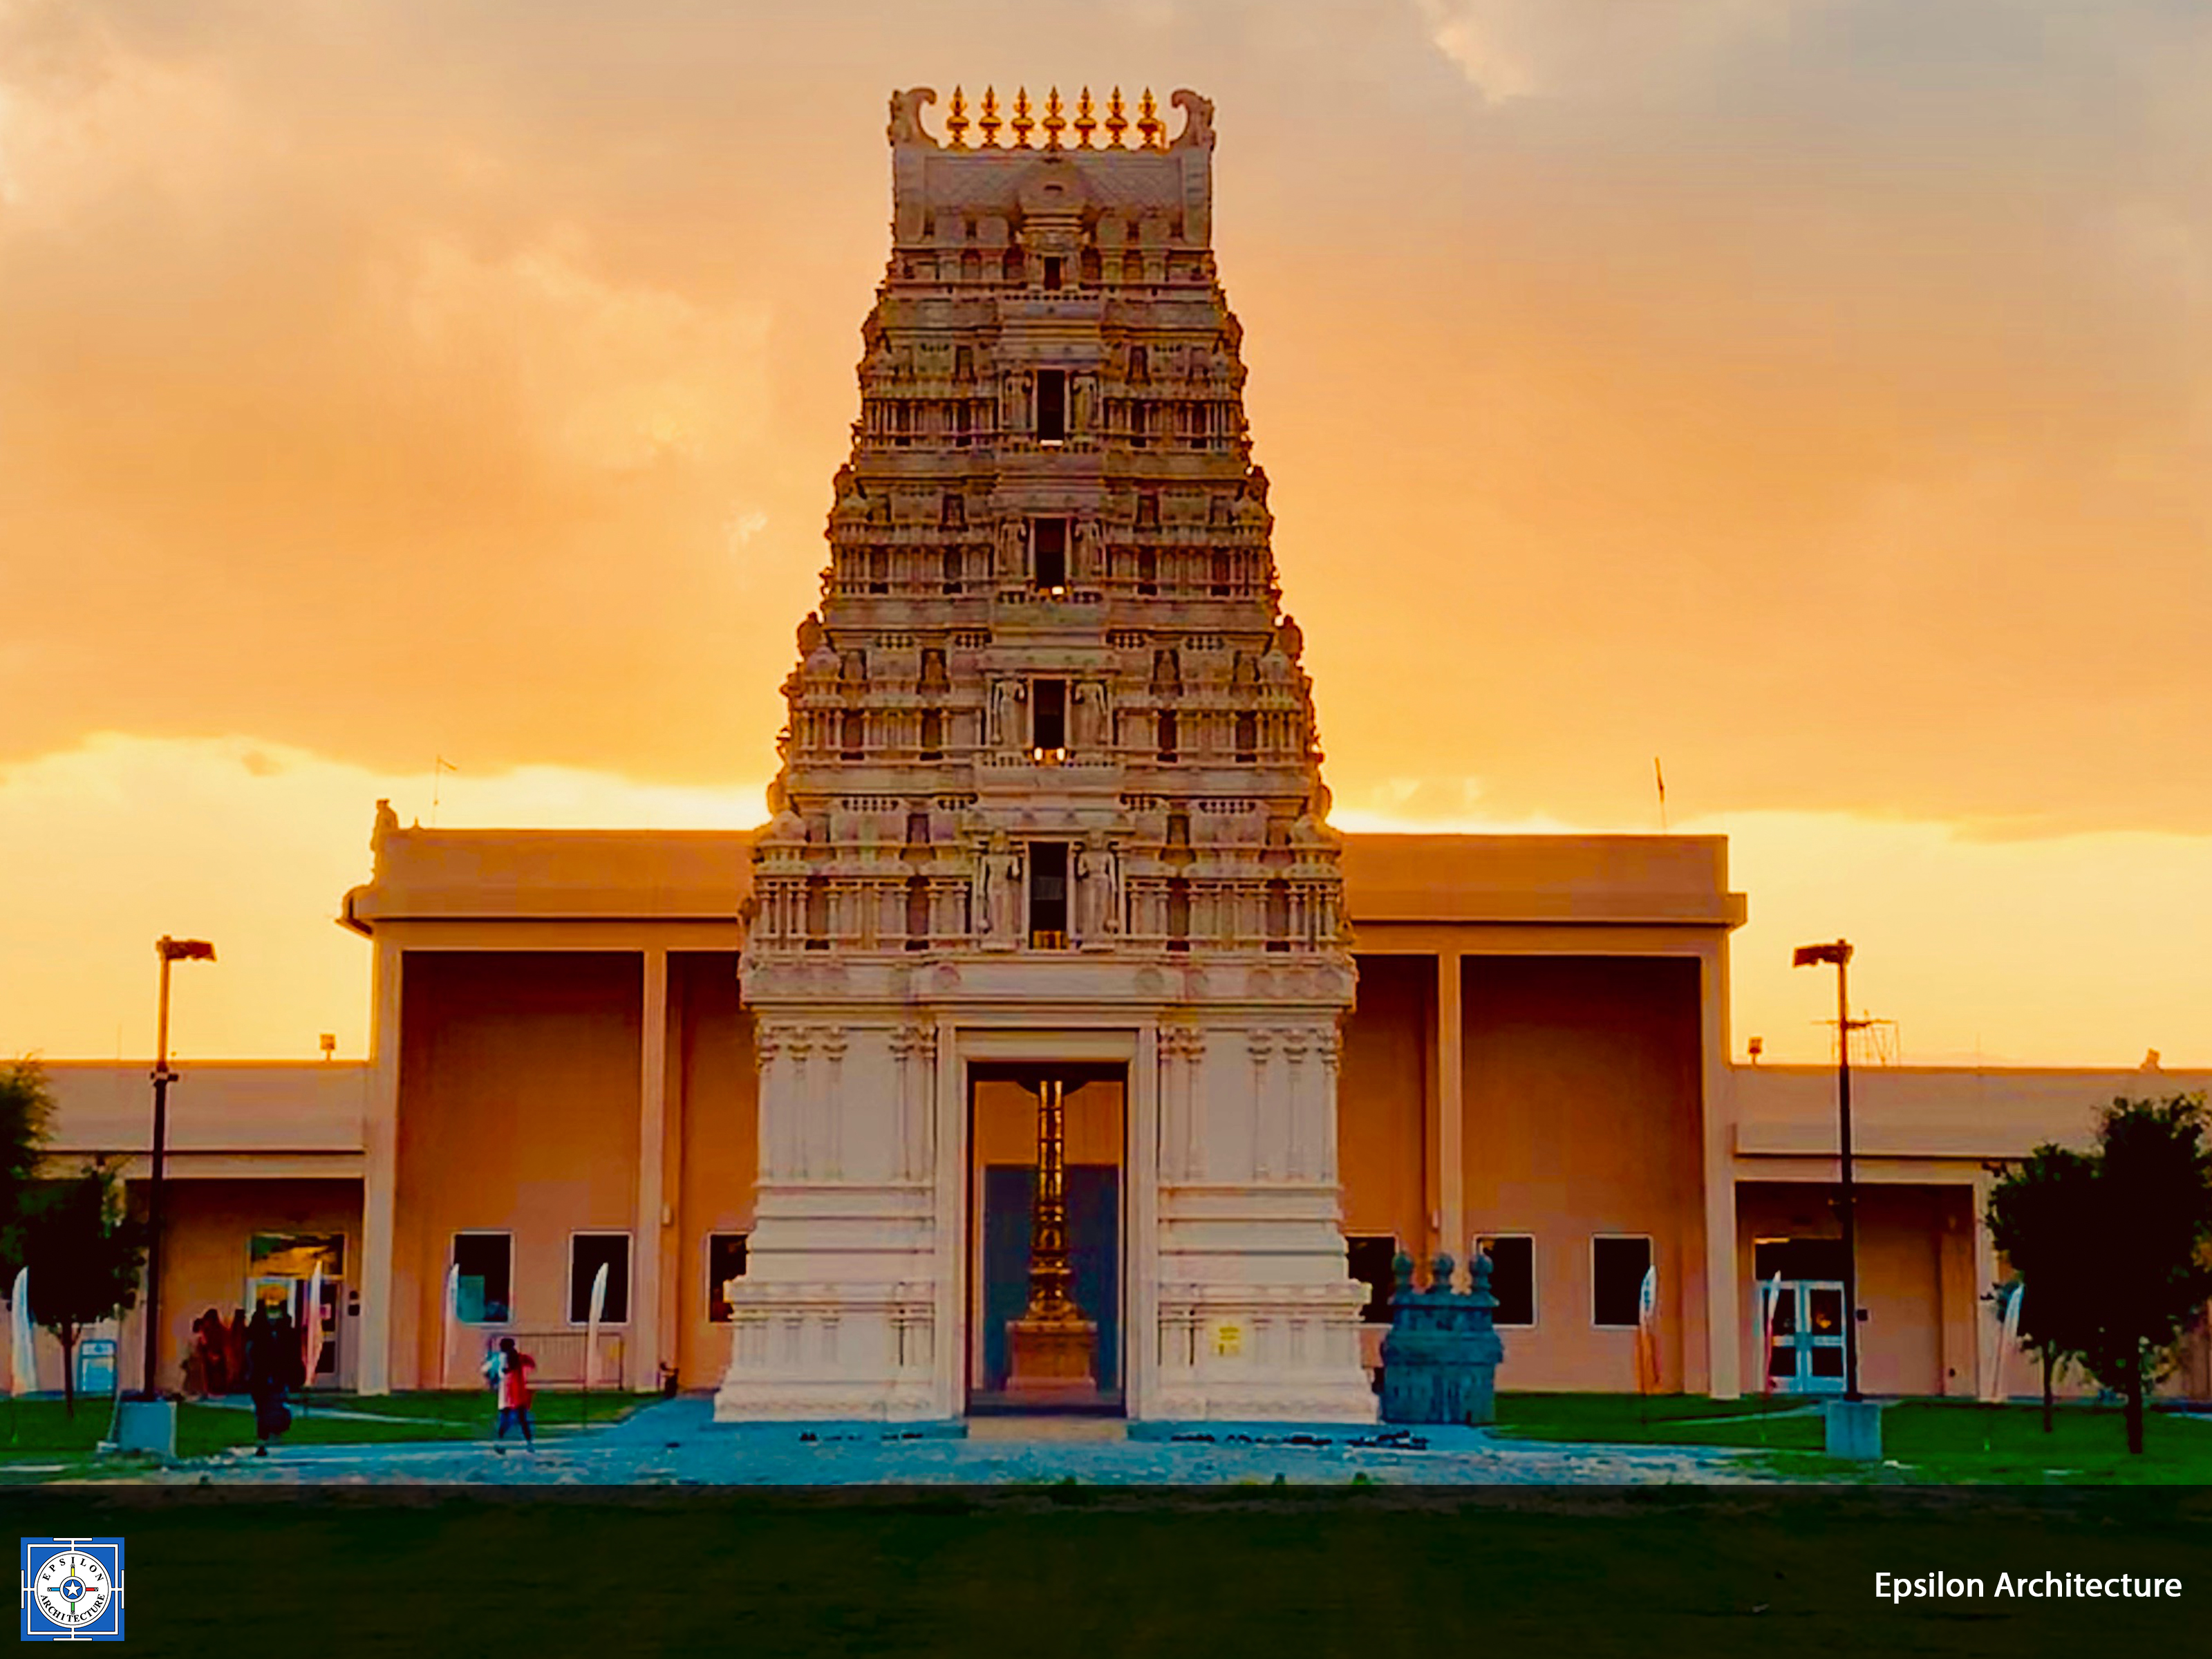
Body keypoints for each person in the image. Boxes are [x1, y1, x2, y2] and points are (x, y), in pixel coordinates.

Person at [243, 1304, 294, 1454]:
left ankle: (265, 1435)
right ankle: (270, 1433)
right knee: (271, 1405)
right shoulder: (267, 1338)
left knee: (264, 1408)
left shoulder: (259, 1338)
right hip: (266, 1378)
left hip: (263, 1378)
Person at [491, 1335, 536, 1448]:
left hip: (508, 1391)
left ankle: (500, 1440)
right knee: (521, 1418)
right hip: (516, 1391)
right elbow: (530, 1362)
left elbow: (500, 1371)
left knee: (507, 1417)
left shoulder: (504, 1358)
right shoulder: (517, 1357)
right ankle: (528, 1441)